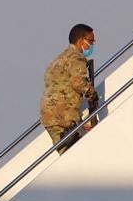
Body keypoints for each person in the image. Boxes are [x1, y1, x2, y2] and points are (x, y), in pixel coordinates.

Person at [40, 24, 98, 152]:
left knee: (67, 152)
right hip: (64, 116)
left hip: (50, 115)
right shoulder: (76, 57)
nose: (92, 45)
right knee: (74, 154)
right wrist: (92, 93)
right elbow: (78, 84)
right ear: (80, 40)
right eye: (90, 41)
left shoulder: (57, 60)